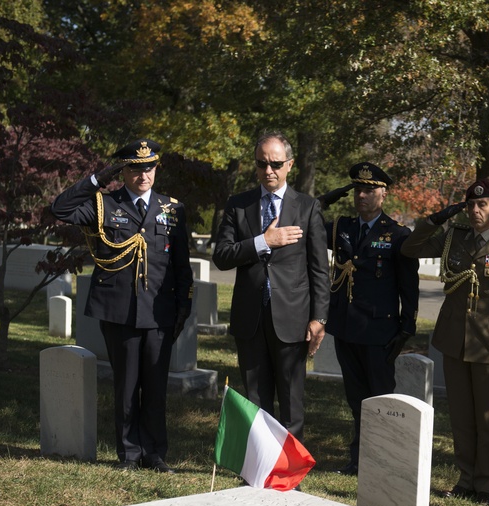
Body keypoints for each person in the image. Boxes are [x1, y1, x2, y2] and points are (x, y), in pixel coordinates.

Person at [52, 139, 193, 473]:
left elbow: (182, 264)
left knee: (156, 387)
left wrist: (183, 307)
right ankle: (129, 453)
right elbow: (60, 209)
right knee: (127, 385)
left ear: (156, 169)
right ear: (123, 171)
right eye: (134, 168)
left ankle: (155, 453)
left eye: (149, 168)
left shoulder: (172, 208)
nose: (143, 175)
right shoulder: (103, 203)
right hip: (121, 310)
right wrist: (97, 179)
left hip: (160, 311)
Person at [402, 178, 489, 506]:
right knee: (461, 416)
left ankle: (485, 485)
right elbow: (410, 249)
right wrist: (434, 220)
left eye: (483, 204)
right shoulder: (453, 238)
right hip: (454, 339)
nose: (476, 211)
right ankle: (465, 479)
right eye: (472, 205)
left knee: (487, 418)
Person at [212, 131, 329, 442]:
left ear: (290, 165)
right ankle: (259, 472)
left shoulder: (307, 207)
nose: (269, 171)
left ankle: (290, 478)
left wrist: (319, 319)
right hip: (250, 318)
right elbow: (222, 257)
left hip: (292, 319)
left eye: (276, 163)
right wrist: (264, 241)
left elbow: (319, 269)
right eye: (262, 164)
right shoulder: (239, 206)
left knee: (292, 403)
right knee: (255, 401)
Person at [318, 162, 420, 475]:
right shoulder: (341, 228)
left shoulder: (398, 235)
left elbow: (408, 286)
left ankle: (383, 457)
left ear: (383, 194)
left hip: (379, 330)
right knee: (355, 398)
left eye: (369, 190)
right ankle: (359, 458)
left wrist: (407, 328)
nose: (362, 195)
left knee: (380, 397)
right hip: (346, 326)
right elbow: (307, 217)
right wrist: (329, 198)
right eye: (357, 189)